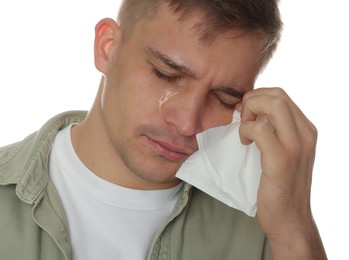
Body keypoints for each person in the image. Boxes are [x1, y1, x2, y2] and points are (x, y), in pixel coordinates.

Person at [0, 0, 327, 259]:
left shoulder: (269, 230)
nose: (187, 123)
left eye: (225, 98)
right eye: (166, 74)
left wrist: (294, 230)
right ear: (107, 47)